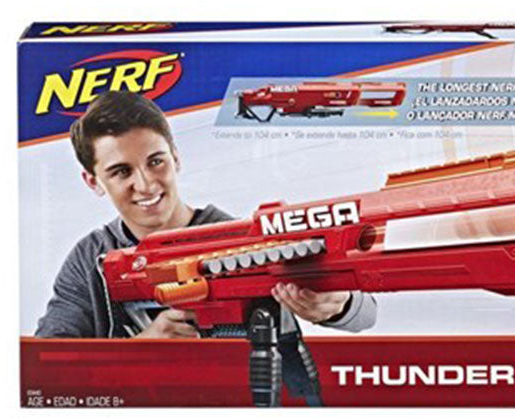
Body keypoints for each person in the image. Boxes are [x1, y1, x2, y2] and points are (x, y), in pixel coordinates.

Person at [35, 91, 377, 338]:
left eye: (156, 161)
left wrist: (338, 305)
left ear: (176, 157)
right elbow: (47, 358)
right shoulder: (90, 258)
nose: (146, 184)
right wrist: (141, 349)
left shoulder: (237, 237)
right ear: (93, 182)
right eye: (121, 172)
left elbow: (365, 312)